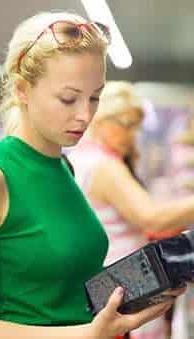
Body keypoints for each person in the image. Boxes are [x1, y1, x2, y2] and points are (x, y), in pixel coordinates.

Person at [0, 13, 183, 339]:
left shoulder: (64, 168)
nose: (85, 115)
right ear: (23, 90)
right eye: (68, 98)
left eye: (95, 97)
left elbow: (63, 293)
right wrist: (84, 335)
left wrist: (136, 296)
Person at [69, 81, 194, 338]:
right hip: (128, 284)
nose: (132, 135)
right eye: (127, 125)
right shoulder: (103, 165)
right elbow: (152, 218)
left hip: (108, 282)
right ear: (102, 120)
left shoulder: (80, 157)